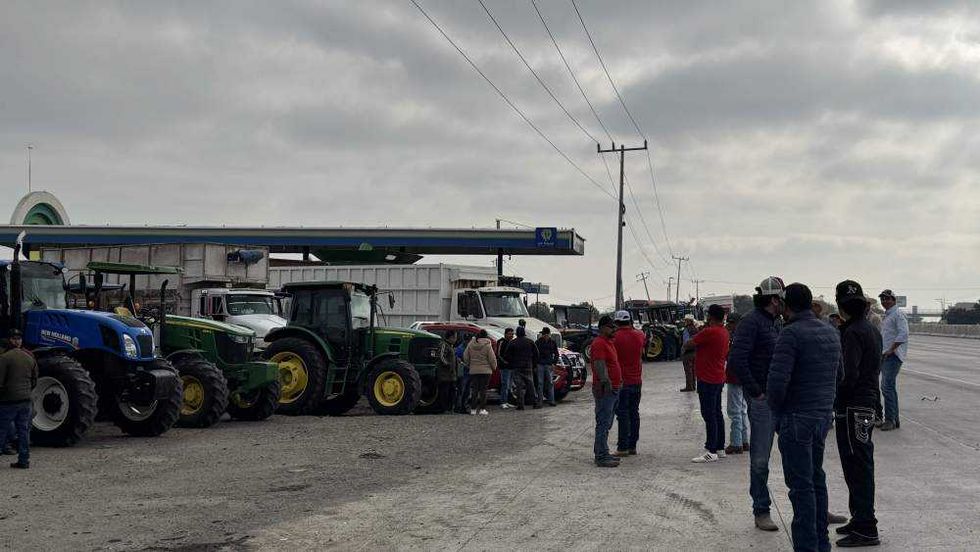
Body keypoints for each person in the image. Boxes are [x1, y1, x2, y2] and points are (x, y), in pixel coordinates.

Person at [767, 283, 841, 552]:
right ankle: (821, 543)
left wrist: (777, 415)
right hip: (822, 416)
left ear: (787, 306)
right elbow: (839, 375)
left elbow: (776, 383)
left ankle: (807, 547)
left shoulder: (790, 334)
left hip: (797, 417)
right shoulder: (831, 332)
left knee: (801, 487)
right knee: (816, 479)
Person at [730, 276, 785, 532]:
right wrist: (756, 392)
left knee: (799, 456)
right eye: (782, 298)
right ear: (774, 299)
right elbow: (737, 361)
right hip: (763, 401)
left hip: (783, 399)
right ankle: (761, 510)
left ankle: (813, 505)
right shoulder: (751, 323)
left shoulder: (777, 322)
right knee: (761, 459)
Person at [834, 280, 882, 547]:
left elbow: (848, 374)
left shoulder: (852, 332)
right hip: (867, 402)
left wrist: (835, 397)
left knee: (857, 465)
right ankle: (860, 517)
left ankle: (866, 526)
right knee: (860, 464)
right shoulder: (871, 330)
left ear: (842, 306)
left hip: (853, 406)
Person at [683, 304, 730, 463]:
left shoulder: (709, 332)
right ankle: (720, 447)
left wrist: (701, 330)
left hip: (707, 378)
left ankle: (710, 449)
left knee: (708, 414)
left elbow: (688, 344)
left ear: (710, 316)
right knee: (717, 413)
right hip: (718, 376)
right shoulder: (724, 332)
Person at [0, 330, 38, 469]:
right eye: (15, 338)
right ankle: (24, 460)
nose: (17, 341)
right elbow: (35, 379)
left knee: (2, 430)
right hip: (25, 400)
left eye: (18, 338)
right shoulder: (29, 357)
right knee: (23, 431)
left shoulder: (5, 358)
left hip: (8, 400)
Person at [589, 316, 622, 467]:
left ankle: (603, 451)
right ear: (602, 328)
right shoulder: (599, 343)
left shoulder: (608, 342)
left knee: (607, 422)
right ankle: (601, 456)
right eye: (611, 327)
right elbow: (599, 365)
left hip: (613, 388)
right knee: (603, 422)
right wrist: (605, 382)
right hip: (605, 389)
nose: (614, 330)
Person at [612, 310, 645, 457]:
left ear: (617, 322)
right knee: (634, 413)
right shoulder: (640, 335)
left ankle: (622, 447)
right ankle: (632, 446)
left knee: (623, 414)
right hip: (637, 380)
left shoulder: (614, 338)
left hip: (622, 382)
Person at [878, 289, 908, 432]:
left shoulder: (898, 314)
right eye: (883, 299)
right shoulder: (888, 315)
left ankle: (890, 420)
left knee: (886, 387)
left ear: (894, 300)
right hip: (885, 355)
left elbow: (904, 334)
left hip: (893, 356)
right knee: (889, 387)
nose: (885, 301)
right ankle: (894, 419)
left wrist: (891, 349)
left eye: (887, 299)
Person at [724, 313, 750, 455]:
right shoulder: (746, 336)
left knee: (734, 411)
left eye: (730, 323)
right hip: (744, 377)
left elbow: (729, 356)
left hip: (735, 376)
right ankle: (744, 441)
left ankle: (736, 443)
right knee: (742, 410)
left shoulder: (735, 338)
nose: (728, 325)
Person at [502, 326, 539, 410]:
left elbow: (506, 355)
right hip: (528, 365)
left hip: (517, 367)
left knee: (519, 386)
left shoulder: (512, 343)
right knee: (530, 385)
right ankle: (535, 402)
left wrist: (512, 362)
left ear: (516, 333)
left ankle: (520, 405)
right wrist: (534, 364)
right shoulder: (530, 342)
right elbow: (536, 354)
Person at [464, 329, 497, 416]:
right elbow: (492, 358)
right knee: (483, 390)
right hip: (486, 371)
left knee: (474, 390)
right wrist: (494, 367)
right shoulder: (487, 345)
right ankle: (482, 409)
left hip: (474, 370)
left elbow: (465, 356)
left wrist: (468, 365)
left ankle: (473, 409)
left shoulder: (471, 344)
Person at [435, 330, 459, 414]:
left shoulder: (451, 346)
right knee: (444, 392)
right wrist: (448, 364)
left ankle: (449, 408)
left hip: (451, 375)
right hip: (444, 375)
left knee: (451, 392)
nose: (456, 339)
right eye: (455, 337)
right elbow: (441, 357)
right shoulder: (444, 345)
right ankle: (443, 408)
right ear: (451, 337)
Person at [535, 328, 559, 407]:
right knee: (541, 383)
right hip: (541, 364)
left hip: (547, 364)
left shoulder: (551, 342)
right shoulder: (538, 342)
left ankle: (550, 401)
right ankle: (541, 401)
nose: (545, 336)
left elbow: (556, 353)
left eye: (545, 335)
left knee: (549, 383)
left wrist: (553, 362)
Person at [497, 328, 515, 409]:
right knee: (505, 384)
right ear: (505, 334)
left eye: (512, 334)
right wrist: (504, 362)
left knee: (509, 385)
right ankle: (503, 401)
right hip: (504, 367)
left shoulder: (512, 342)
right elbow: (498, 353)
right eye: (510, 334)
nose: (511, 335)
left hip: (511, 367)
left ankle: (507, 401)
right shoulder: (501, 341)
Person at [679, 315, 698, 392]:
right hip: (695, 352)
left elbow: (686, 341)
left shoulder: (686, 330)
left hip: (688, 352)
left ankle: (689, 386)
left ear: (689, 321)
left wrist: (683, 349)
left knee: (688, 370)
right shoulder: (695, 329)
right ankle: (693, 385)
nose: (685, 322)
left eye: (686, 320)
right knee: (693, 370)